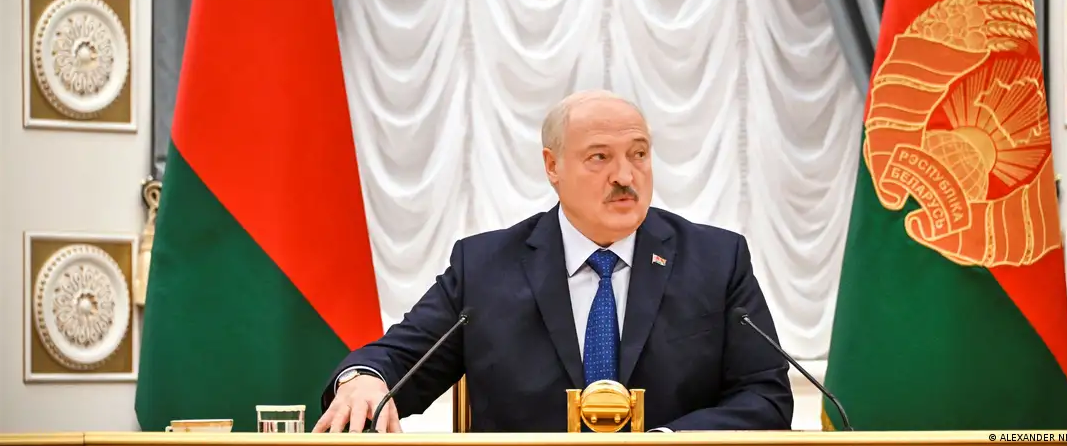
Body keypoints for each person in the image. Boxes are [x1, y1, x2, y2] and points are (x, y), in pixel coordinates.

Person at [313, 90, 793, 433]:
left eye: (639, 154)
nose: (625, 175)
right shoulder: (484, 268)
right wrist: (364, 380)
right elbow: (399, 359)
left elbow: (765, 396)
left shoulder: (715, 260)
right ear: (552, 166)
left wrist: (666, 442)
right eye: (599, 157)